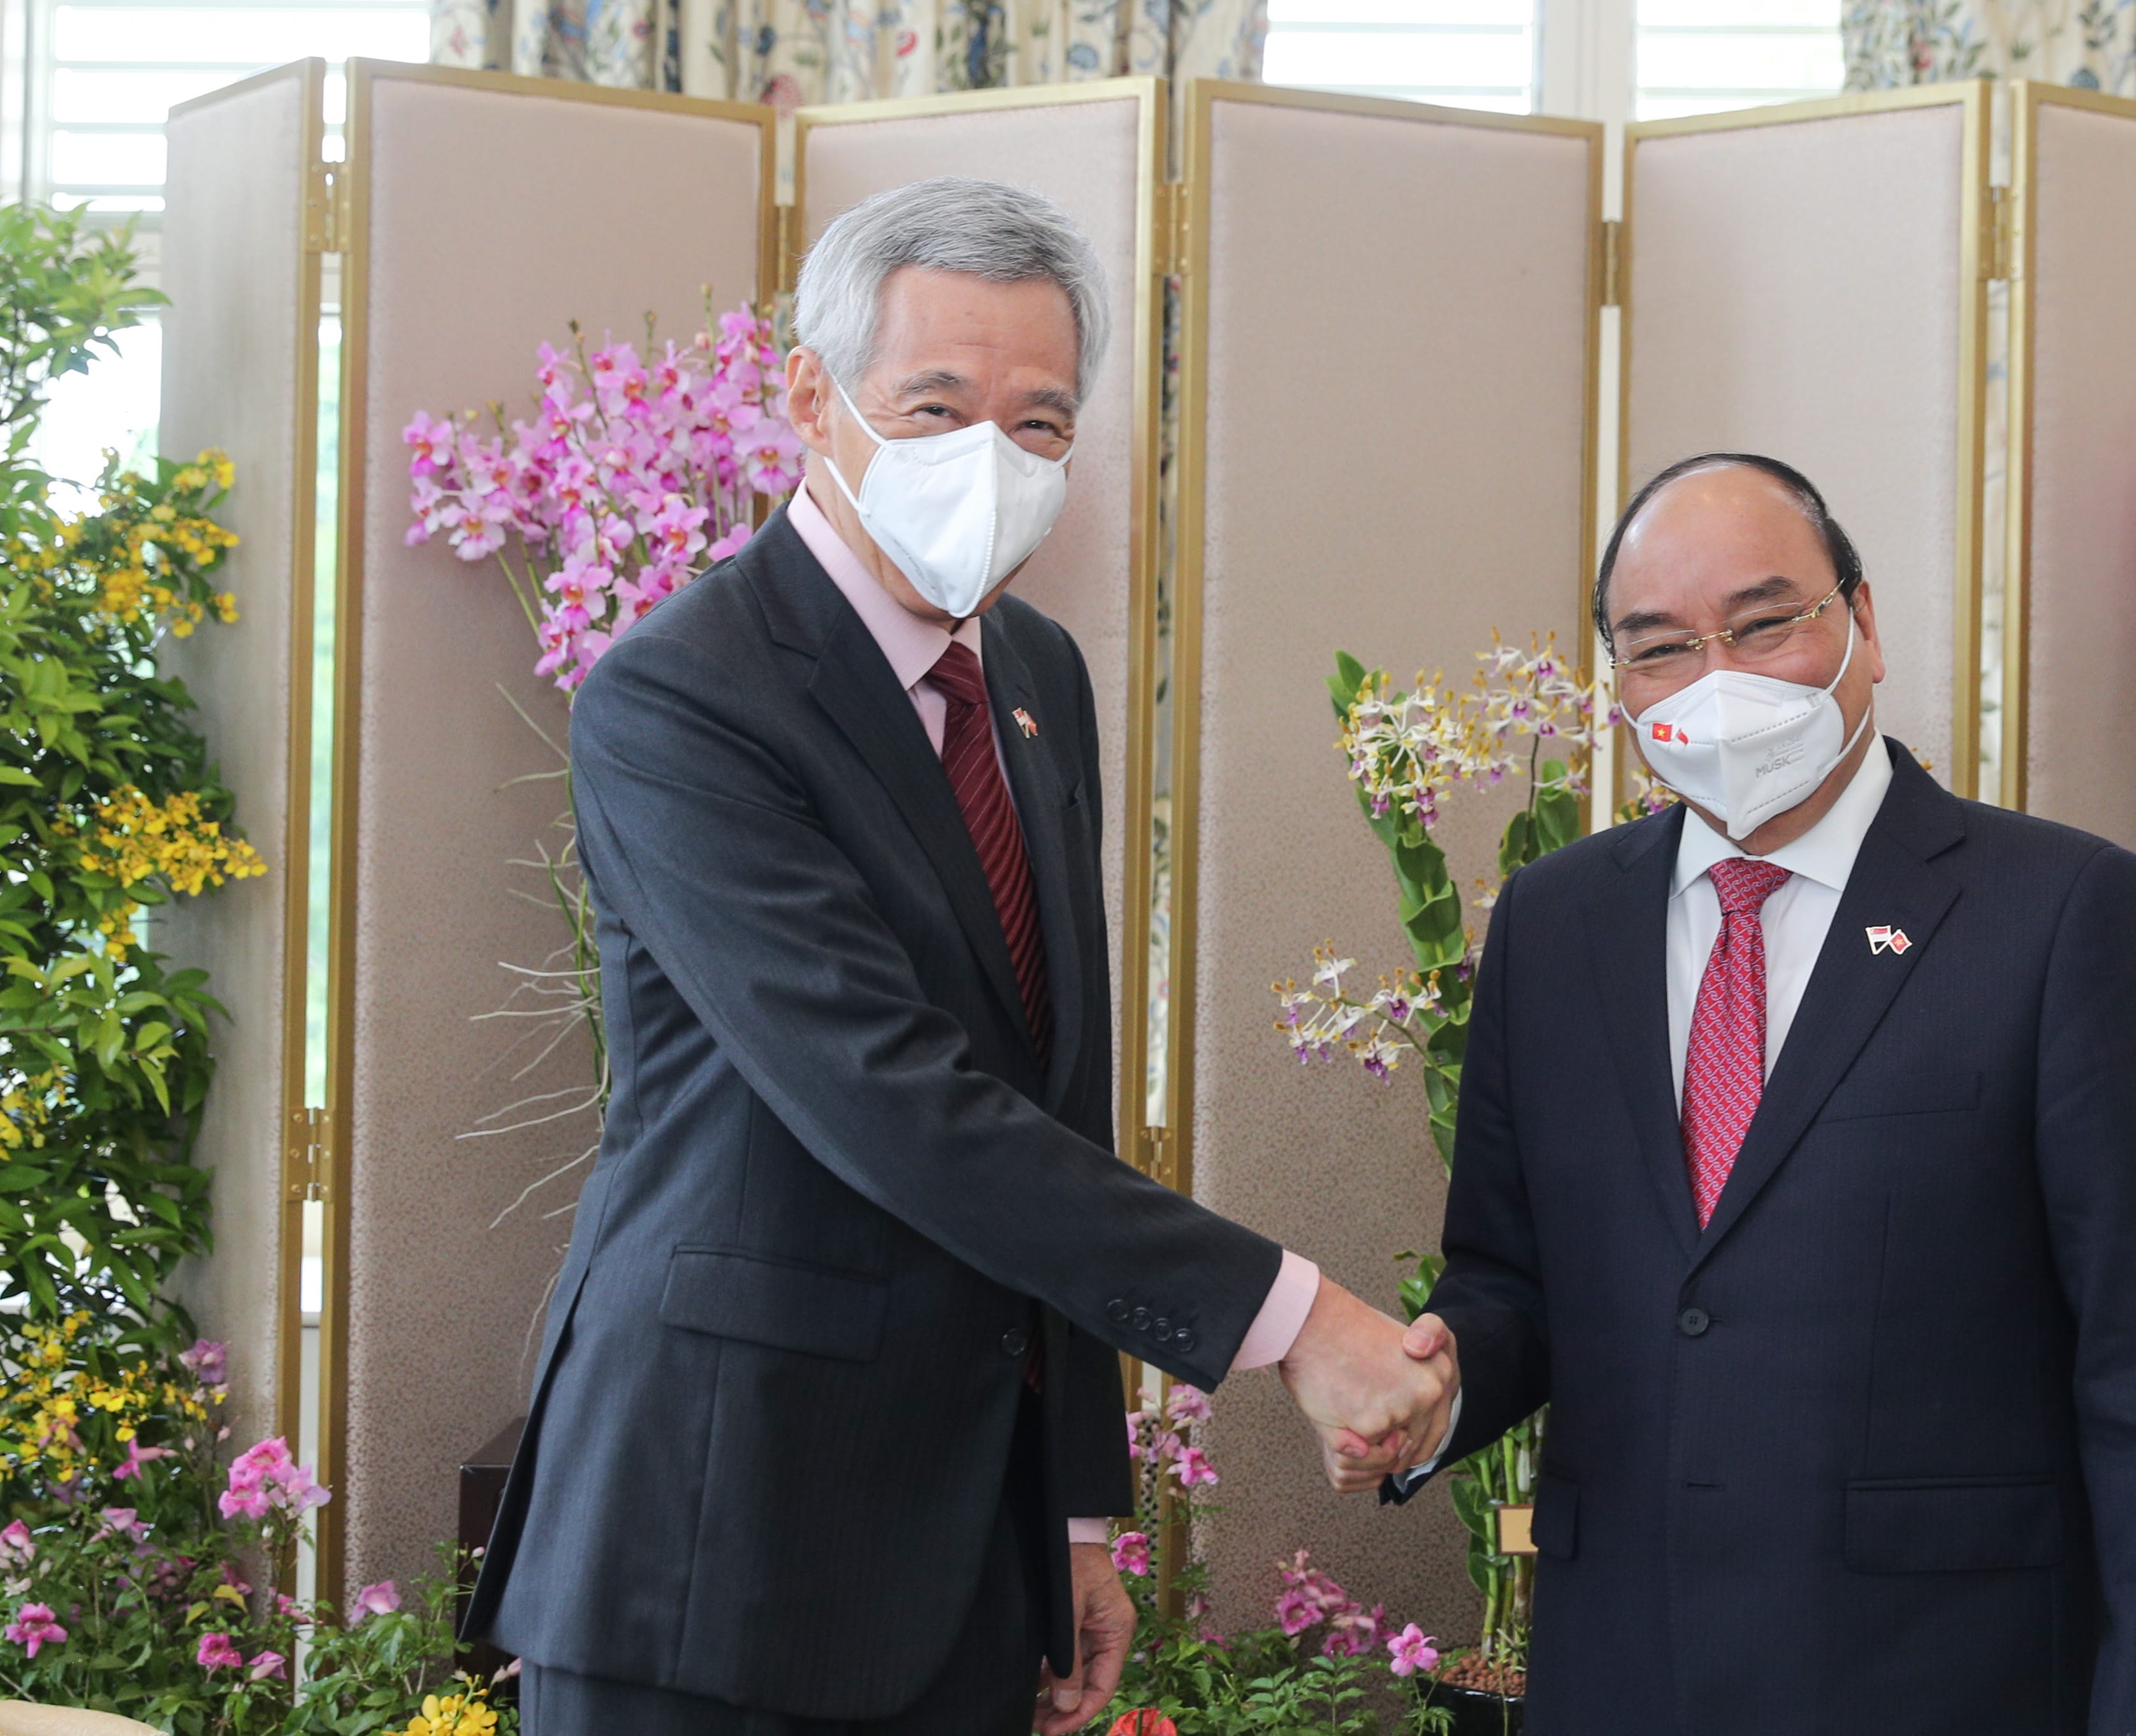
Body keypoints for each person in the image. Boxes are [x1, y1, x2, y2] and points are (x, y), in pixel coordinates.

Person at [461, 177, 1457, 1736]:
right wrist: (1295, 1321)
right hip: (714, 1542)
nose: (989, 462)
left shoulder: (1039, 673)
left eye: (1041, 425)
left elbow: (1057, 1094)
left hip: (967, 1547)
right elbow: (892, 1097)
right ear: (810, 397)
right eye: (934, 407)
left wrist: (1072, 1520)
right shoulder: (681, 698)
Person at [1372, 455, 2136, 1733]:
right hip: (1623, 1672)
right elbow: (1512, 1280)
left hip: (1945, 1680)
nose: (1716, 680)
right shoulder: (1556, 928)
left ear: (1865, 623)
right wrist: (1434, 1389)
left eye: (1765, 622)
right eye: (1658, 647)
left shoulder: (2060, 915)